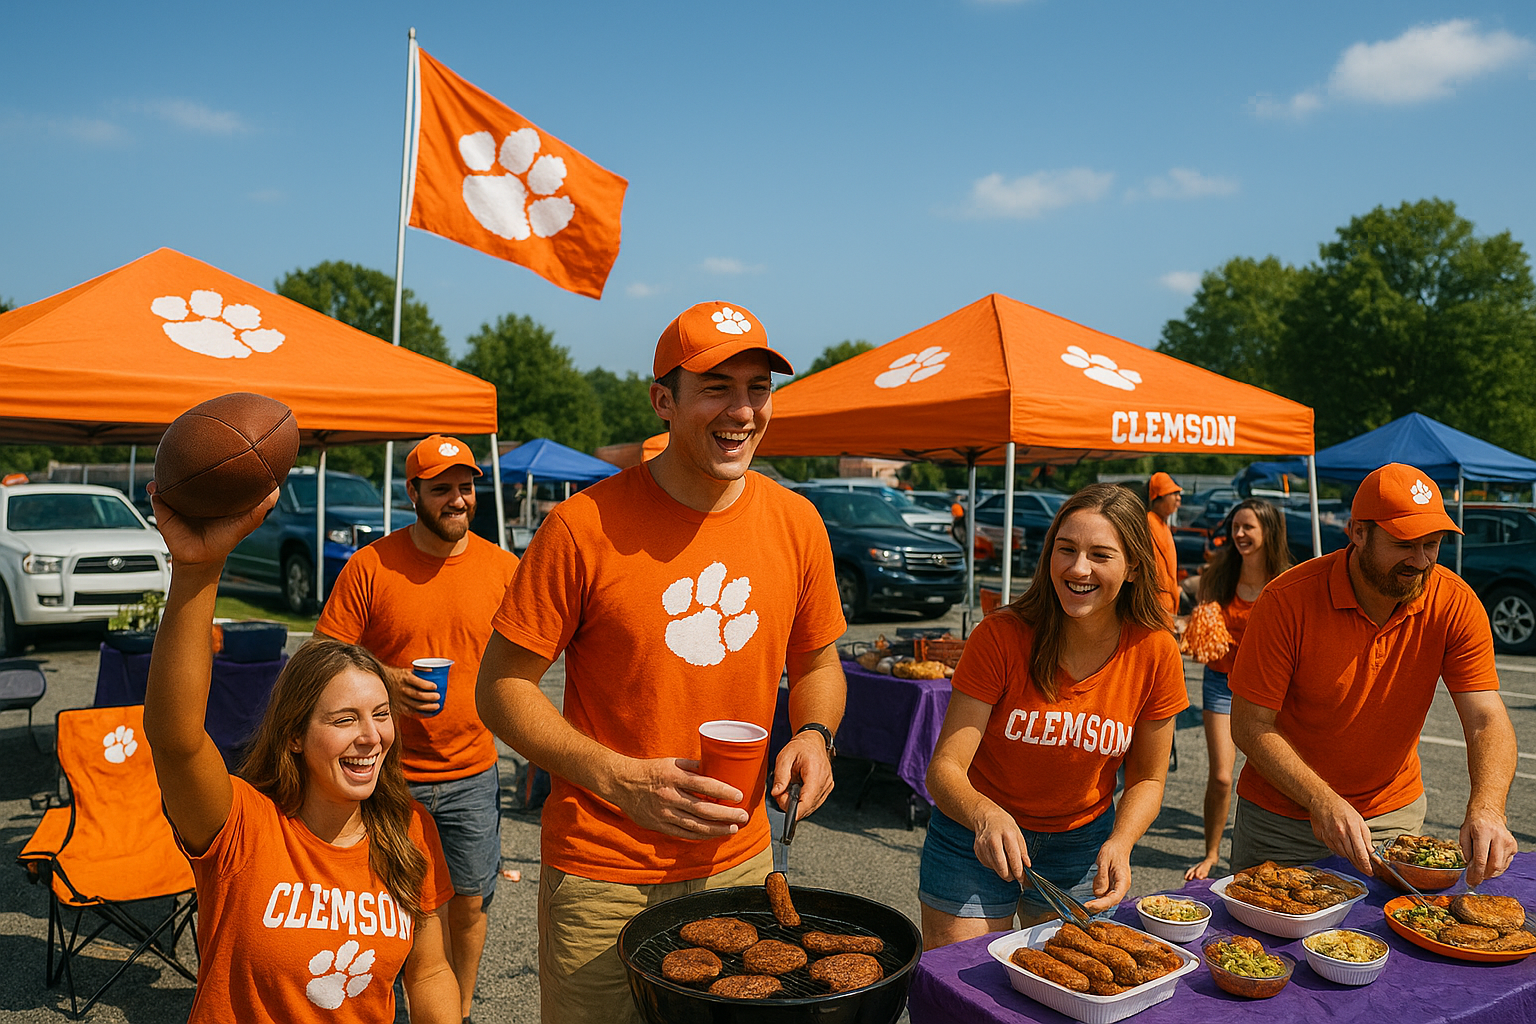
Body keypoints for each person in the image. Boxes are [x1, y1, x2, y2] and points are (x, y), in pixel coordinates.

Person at [474, 300, 847, 1024]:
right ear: (663, 401)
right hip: (603, 867)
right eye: (716, 387)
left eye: (758, 389)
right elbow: (500, 689)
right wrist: (620, 779)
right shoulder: (582, 527)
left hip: (737, 861)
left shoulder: (797, 522)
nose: (742, 410)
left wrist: (814, 735)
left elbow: (819, 664)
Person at [141, 486, 459, 1023]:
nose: (371, 736)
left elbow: (429, 972)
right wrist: (197, 570)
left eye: (381, 715)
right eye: (344, 719)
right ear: (293, 735)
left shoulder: (409, 830)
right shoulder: (241, 824)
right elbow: (175, 740)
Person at [920, 483, 1188, 951]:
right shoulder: (1001, 635)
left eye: (1100, 555)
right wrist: (984, 814)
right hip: (973, 834)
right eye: (1066, 549)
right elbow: (945, 769)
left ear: (1133, 569)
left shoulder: (1155, 650)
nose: (1078, 568)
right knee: (961, 988)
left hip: (1082, 845)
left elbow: (1148, 779)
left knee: (1068, 988)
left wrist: (1122, 842)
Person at [1229, 463, 1518, 884]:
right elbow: (1250, 725)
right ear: (1358, 532)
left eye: (1432, 544)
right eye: (1404, 543)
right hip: (1281, 823)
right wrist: (1321, 800)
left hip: (1391, 819)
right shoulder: (1287, 600)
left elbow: (1486, 718)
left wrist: (1488, 808)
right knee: (1265, 944)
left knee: (1391, 937)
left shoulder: (1455, 602)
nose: (1420, 561)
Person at [315, 435, 519, 1023]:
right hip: (384, 775)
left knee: (471, 904)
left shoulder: (503, 569)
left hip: (473, 772)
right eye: (442, 489)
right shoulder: (372, 565)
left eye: (465, 486)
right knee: (387, 905)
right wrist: (385, 679)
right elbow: (322, 654)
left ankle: (456, 1013)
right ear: (413, 494)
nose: (457, 499)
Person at [1183, 499, 1292, 881]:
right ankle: (1212, 852)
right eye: (1236, 527)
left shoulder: (1286, 581)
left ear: (1269, 532)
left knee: (1269, 772)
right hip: (1221, 683)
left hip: (1271, 690)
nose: (1240, 534)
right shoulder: (1219, 575)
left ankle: (1273, 846)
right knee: (1222, 776)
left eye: (1249, 527)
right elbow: (1203, 631)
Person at [1146, 471, 1182, 618]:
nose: (1178, 498)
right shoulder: (1148, 523)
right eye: (1173, 493)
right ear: (1159, 496)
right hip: (1157, 605)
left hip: (1168, 604)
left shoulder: (1162, 524)